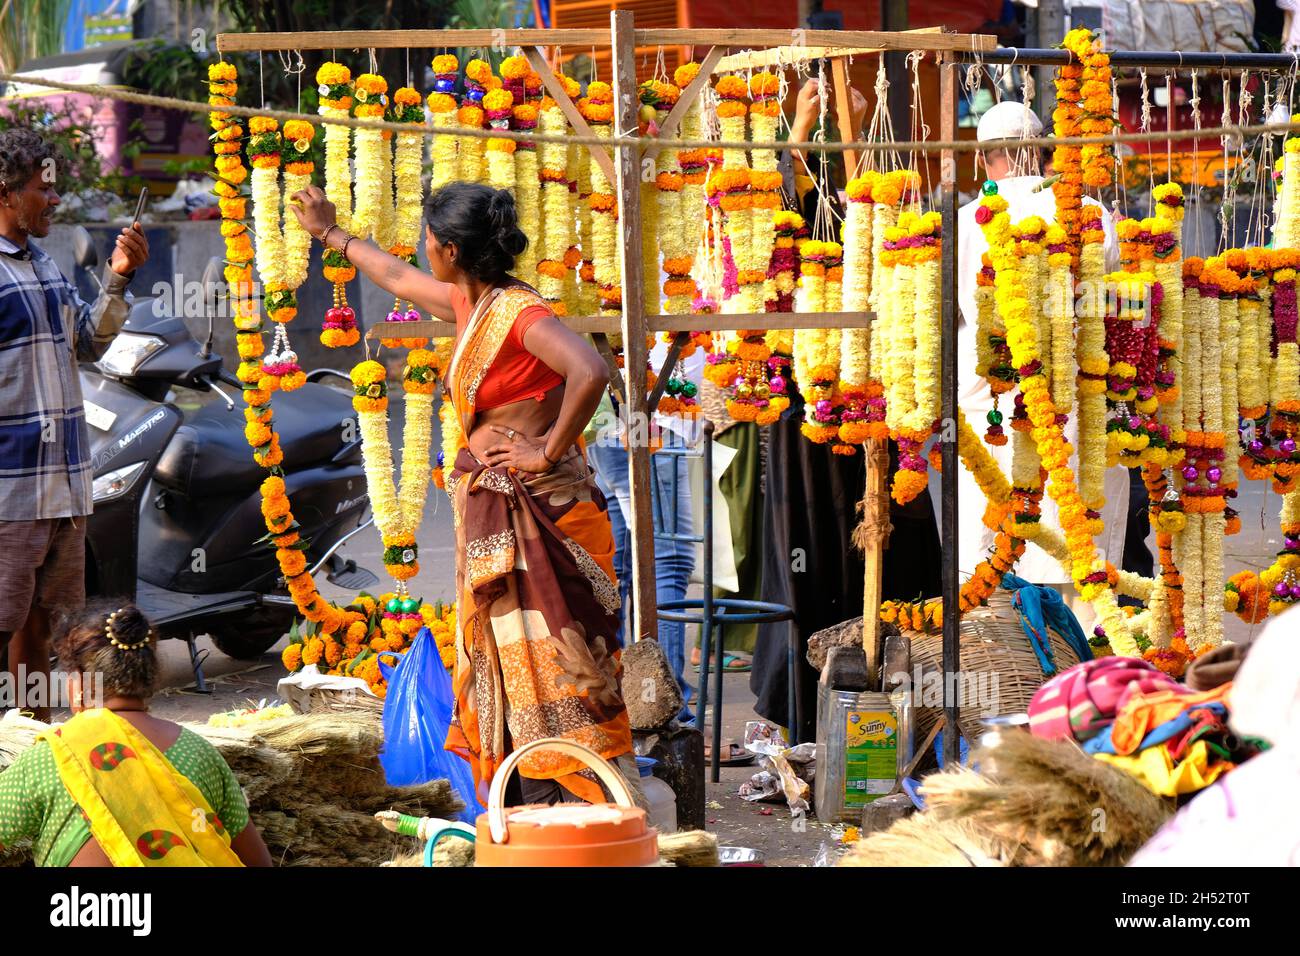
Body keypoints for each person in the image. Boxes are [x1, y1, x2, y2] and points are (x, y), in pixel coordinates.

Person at [291, 181, 641, 807]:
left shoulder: (519, 314)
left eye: (428, 239)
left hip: (543, 514)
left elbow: (591, 371)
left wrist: (547, 450)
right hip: (496, 513)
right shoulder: (471, 303)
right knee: (507, 664)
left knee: (561, 660)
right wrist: (328, 234)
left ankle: (588, 802)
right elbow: (396, 277)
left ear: (450, 249)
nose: (423, 250)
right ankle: (529, 798)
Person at [751, 79, 944, 743]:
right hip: (812, 418)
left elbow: (871, 216)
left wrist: (856, 136)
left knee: (895, 553)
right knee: (810, 559)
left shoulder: (881, 241)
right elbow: (780, 215)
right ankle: (805, 715)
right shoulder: (784, 255)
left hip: (881, 412)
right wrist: (801, 132)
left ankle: (906, 706)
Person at [955, 100, 1130, 622]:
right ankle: (1079, 676)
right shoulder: (1091, 213)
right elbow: (1115, 301)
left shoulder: (964, 221)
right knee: (1077, 548)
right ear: (1044, 152)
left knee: (988, 549)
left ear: (985, 159)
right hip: (1073, 396)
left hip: (991, 399)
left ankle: (999, 671)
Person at [0, 129, 149, 722]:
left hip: (64, 486)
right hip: (12, 489)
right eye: (44, 189)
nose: (55, 201)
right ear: (6, 192)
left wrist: (118, 276)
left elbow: (88, 343)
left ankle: (29, 741)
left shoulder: (42, 263)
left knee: (49, 627)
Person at [0, 602, 271, 866]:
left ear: (81, 682)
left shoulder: (53, 757)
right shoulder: (199, 752)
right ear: (149, 676)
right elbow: (257, 861)